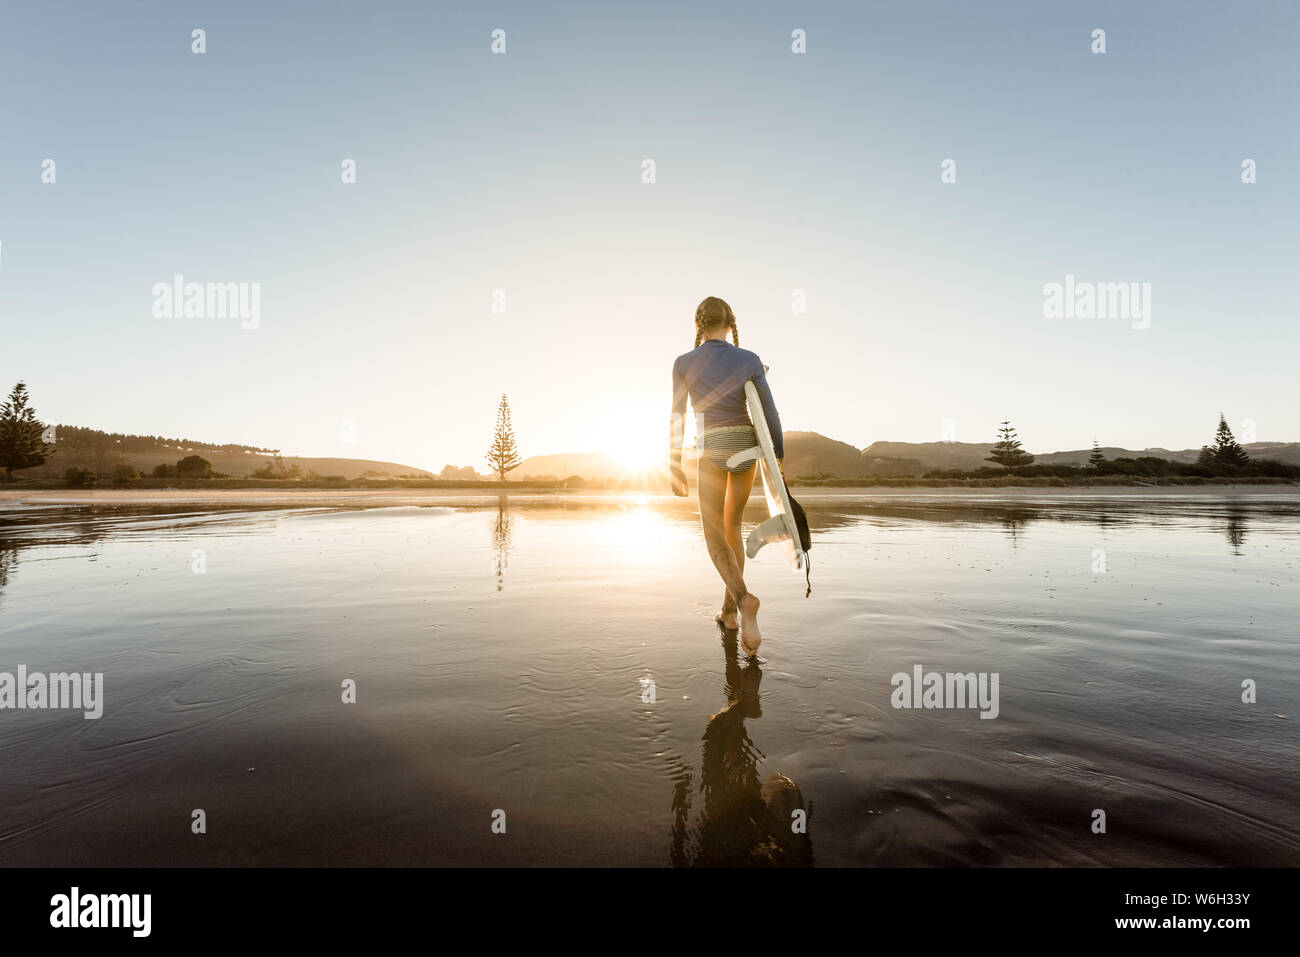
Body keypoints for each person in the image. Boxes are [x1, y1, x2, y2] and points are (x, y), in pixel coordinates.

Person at [669, 296, 784, 655]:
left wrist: (674, 464)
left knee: (715, 536)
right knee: (734, 526)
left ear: (698, 324)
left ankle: (743, 599)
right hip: (746, 446)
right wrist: (777, 456)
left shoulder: (684, 363)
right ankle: (729, 614)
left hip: (712, 451)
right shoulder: (749, 359)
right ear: (731, 323)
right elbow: (769, 412)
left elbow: (678, 417)